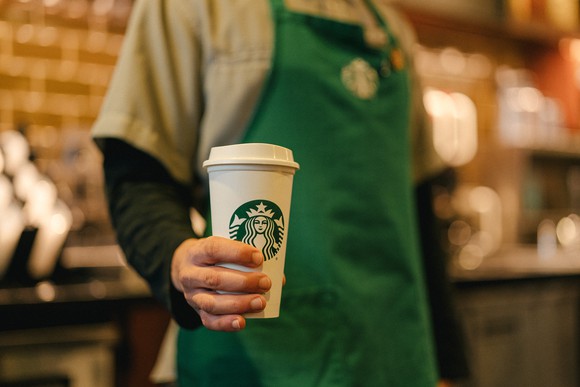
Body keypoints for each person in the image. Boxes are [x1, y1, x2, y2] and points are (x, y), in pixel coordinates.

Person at [92, 0, 469, 385]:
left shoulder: (392, 30)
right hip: (258, 360)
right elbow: (137, 176)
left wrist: (453, 368)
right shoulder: (191, 7)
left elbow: (418, 210)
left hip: (393, 356)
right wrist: (177, 258)